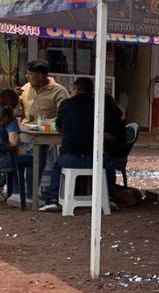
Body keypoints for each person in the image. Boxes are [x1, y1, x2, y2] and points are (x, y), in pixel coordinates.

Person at [39, 78, 120, 212]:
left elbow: (59, 128)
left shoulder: (66, 104)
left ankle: (53, 199)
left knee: (57, 167)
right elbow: (108, 131)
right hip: (96, 160)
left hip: (70, 159)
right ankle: (109, 198)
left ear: (76, 89)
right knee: (110, 166)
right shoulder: (99, 105)